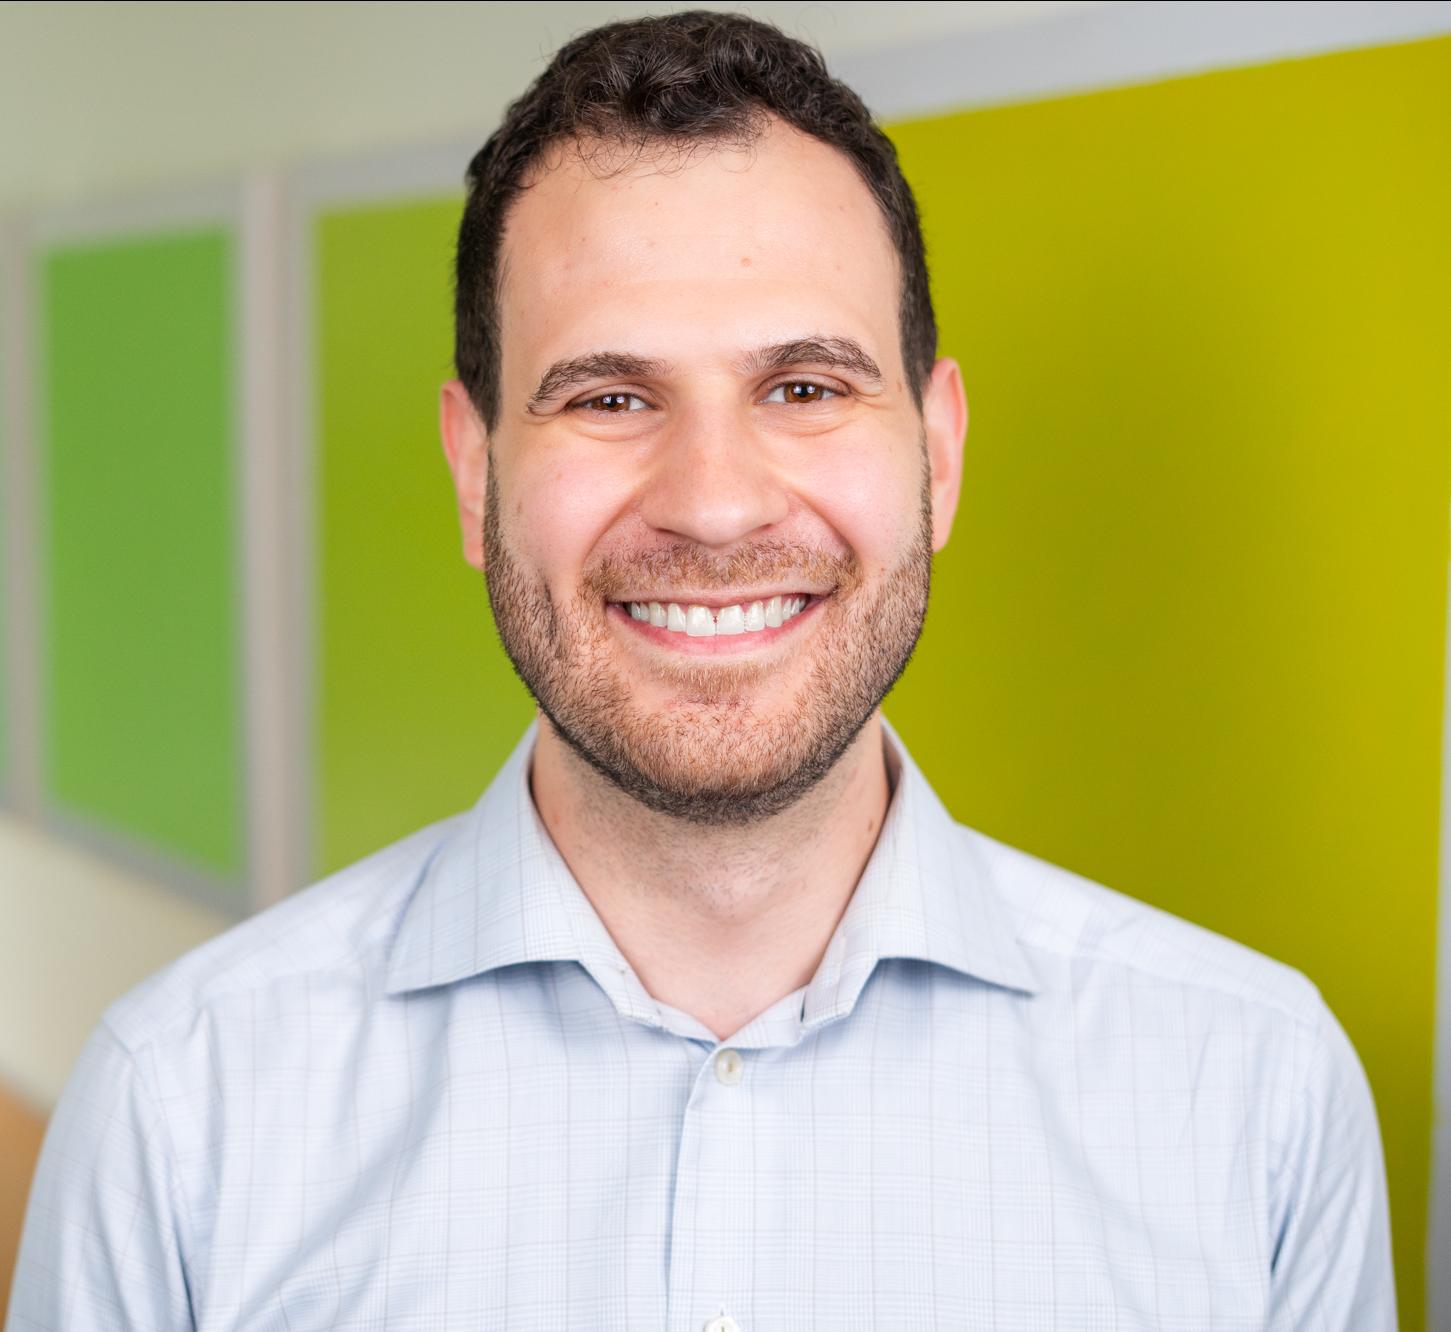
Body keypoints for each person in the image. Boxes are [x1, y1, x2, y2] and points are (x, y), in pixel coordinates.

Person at [8, 10, 1395, 1331]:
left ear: (941, 450)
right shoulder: (183, 1113)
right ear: (474, 470)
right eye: (610, 397)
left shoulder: (1253, 1095)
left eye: (805, 387)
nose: (718, 507)